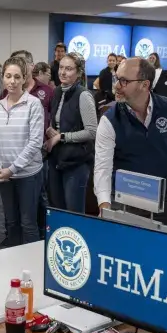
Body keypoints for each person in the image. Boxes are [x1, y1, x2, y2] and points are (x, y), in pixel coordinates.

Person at [94, 57, 167, 221]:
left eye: (124, 81)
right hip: (124, 204)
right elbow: (102, 168)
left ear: (145, 84)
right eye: (116, 79)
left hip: (164, 203)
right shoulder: (109, 119)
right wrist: (104, 206)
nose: (116, 86)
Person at [0, 56, 44, 246]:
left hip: (28, 175)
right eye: (8, 76)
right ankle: (12, 264)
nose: (12, 81)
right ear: (2, 77)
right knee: (11, 223)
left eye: (17, 77)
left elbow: (35, 143)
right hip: (4, 176)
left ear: (24, 78)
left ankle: (33, 265)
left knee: (28, 223)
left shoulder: (33, 104)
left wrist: (12, 169)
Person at [46, 52, 98, 213]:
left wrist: (61, 137)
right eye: (61, 67)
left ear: (78, 72)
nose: (62, 72)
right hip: (57, 159)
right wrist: (50, 129)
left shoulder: (83, 95)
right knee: (57, 209)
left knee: (73, 212)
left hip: (76, 162)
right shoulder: (57, 91)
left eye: (68, 69)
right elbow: (59, 121)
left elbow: (92, 132)